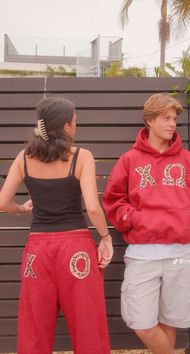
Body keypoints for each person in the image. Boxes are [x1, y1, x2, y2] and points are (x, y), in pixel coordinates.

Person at [0, 97, 113, 354]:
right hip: (77, 249)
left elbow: (3, 202)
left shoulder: (24, 158)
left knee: (34, 328)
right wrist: (105, 238)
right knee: (88, 327)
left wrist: (22, 209)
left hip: (37, 253)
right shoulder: (81, 156)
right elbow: (93, 207)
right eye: (75, 121)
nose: (76, 125)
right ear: (65, 126)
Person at [102, 93, 190, 354]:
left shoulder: (189, 160)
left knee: (170, 321)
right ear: (150, 120)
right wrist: (136, 219)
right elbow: (113, 200)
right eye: (166, 118)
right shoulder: (130, 160)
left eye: (174, 119)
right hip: (142, 254)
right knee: (141, 324)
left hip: (182, 253)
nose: (172, 124)